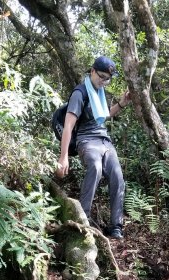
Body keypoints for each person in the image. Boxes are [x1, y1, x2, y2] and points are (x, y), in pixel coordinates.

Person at [56, 56, 131, 239]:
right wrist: (63, 156)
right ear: (92, 72)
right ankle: (83, 218)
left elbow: (104, 116)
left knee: (117, 177)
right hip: (87, 140)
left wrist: (122, 103)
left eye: (108, 79)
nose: (104, 81)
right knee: (95, 168)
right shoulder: (80, 93)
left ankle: (116, 226)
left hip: (104, 141)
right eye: (102, 76)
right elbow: (68, 126)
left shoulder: (99, 93)